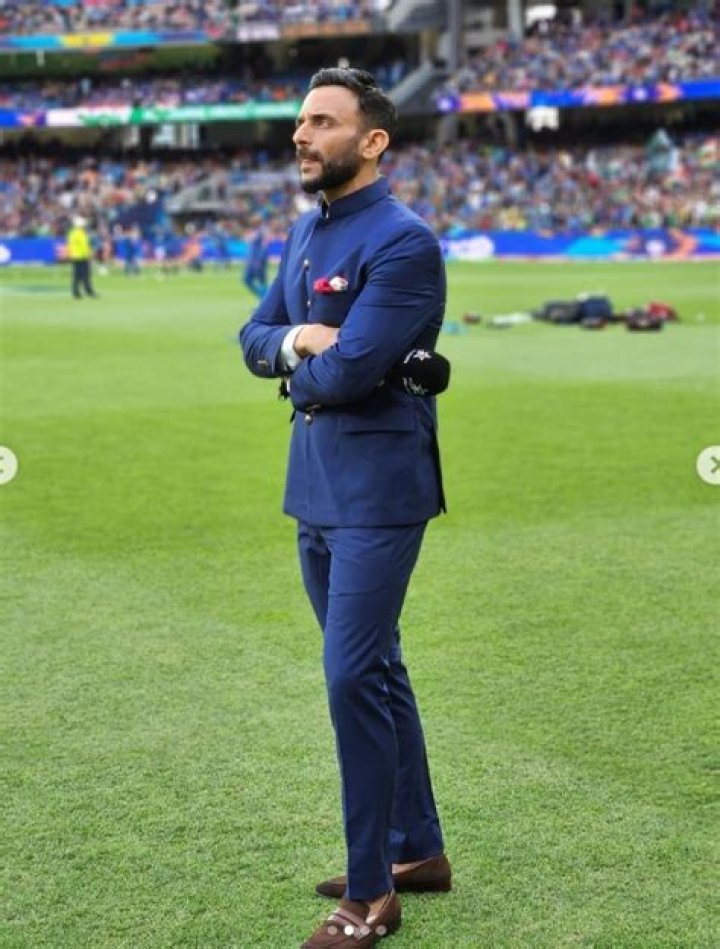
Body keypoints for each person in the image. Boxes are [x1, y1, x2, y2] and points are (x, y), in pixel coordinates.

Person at [239, 67, 450, 949]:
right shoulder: (304, 228)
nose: (301, 134)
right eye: (301, 120)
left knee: (350, 675)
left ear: (371, 141)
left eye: (322, 121)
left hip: (380, 492)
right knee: (377, 668)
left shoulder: (404, 242)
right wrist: (299, 338)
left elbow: (353, 371)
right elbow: (253, 337)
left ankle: (370, 896)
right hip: (315, 485)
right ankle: (418, 849)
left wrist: (306, 366)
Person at [66, 215, 97, 299]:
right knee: (84, 275)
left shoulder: (74, 233)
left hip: (78, 256)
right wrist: (89, 253)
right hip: (81, 256)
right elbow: (84, 245)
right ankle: (86, 291)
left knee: (78, 275)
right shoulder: (79, 233)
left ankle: (77, 291)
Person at [243, 225, 269, 298]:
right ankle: (264, 296)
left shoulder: (259, 239)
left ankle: (264, 297)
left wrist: (259, 261)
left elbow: (264, 249)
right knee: (250, 280)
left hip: (257, 263)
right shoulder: (254, 242)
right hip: (253, 263)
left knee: (260, 281)